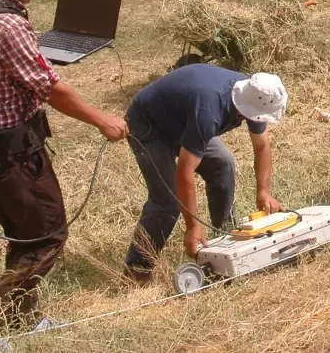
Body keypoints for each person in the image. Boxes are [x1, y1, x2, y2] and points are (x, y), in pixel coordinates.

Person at [0, 0, 129, 347]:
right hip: (10, 154)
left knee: (25, 233)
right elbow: (50, 88)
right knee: (46, 236)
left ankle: (19, 321)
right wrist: (102, 119)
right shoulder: (6, 24)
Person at [123, 64, 287, 282]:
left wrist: (263, 192)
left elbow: (262, 146)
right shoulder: (209, 111)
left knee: (222, 164)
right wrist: (193, 227)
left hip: (184, 118)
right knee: (167, 198)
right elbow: (184, 172)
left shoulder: (255, 94)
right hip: (149, 124)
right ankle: (137, 269)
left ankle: (226, 243)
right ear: (245, 110)